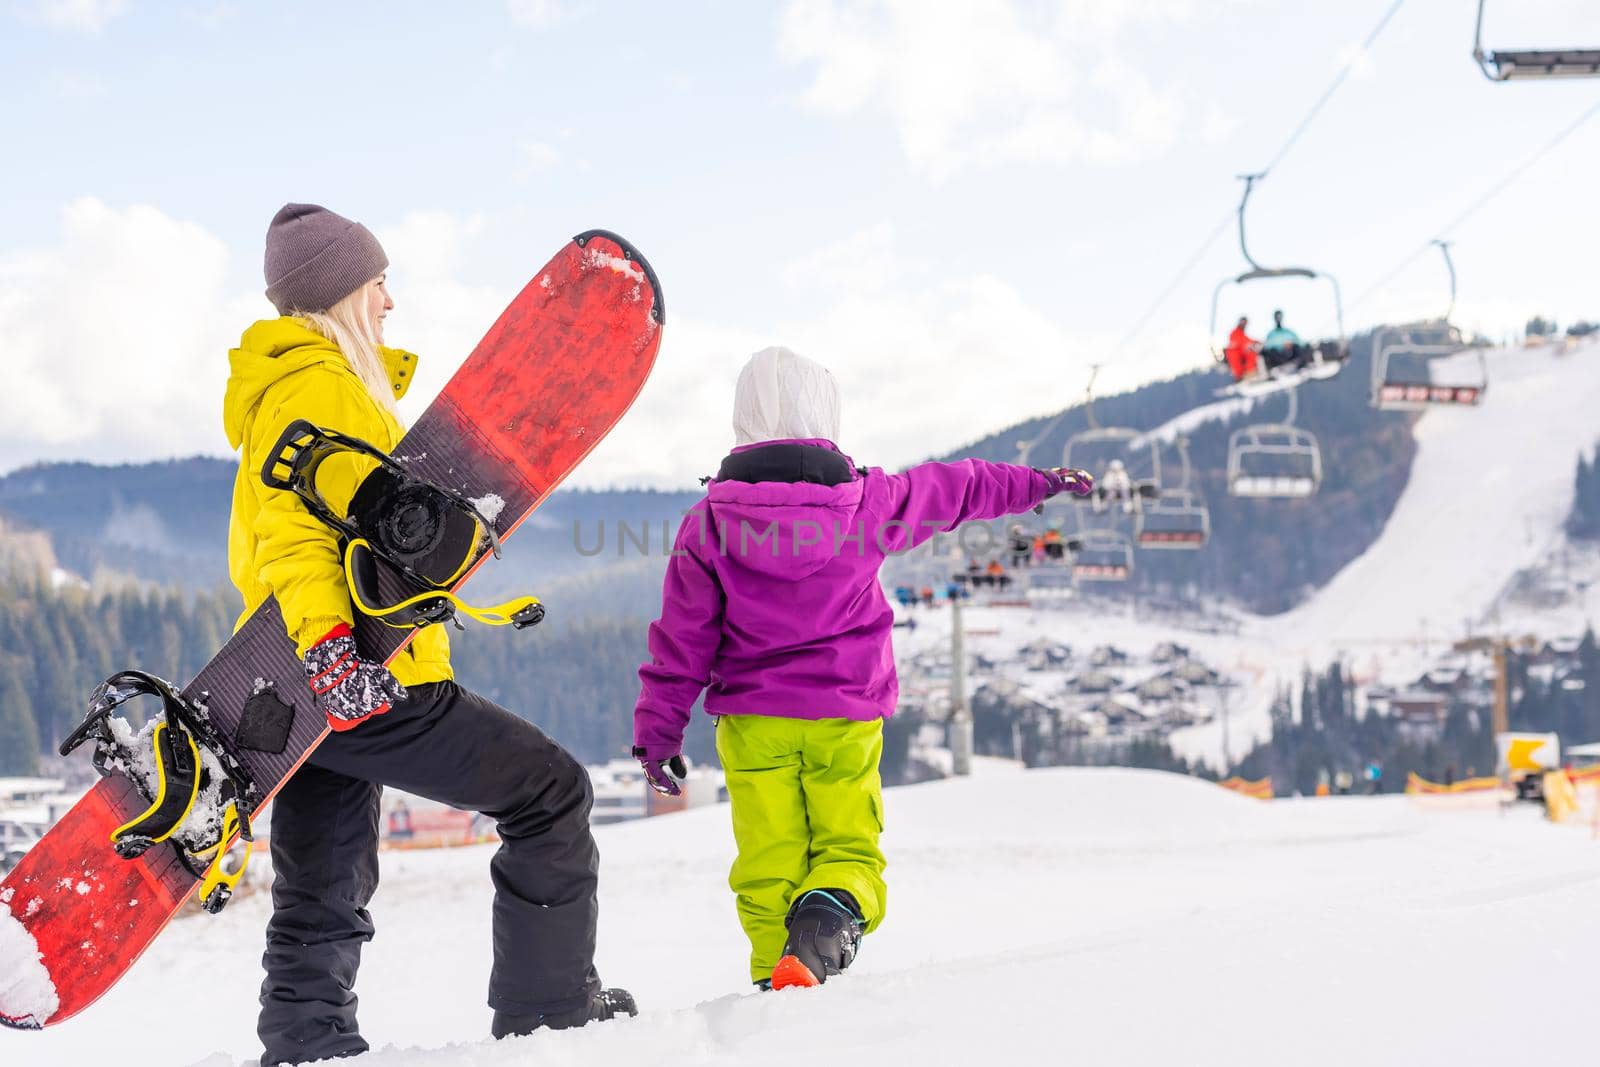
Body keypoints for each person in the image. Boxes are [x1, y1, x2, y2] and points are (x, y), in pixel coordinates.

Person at [225, 204, 633, 1066]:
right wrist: (333, 648)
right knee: (550, 791)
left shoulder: (290, 384)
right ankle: (550, 1008)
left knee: (324, 881)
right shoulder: (321, 385)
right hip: (362, 669)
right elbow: (294, 536)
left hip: (297, 684)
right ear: (341, 294)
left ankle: (307, 1041)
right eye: (379, 284)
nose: (390, 303)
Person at [630, 346, 1092, 991]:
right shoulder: (870, 501)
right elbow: (958, 488)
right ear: (827, 414)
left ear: (742, 423)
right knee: (848, 846)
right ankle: (829, 916)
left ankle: (776, 976)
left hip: (753, 722)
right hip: (844, 716)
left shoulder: (706, 524)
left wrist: (658, 736)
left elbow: (681, 641)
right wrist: (1036, 483)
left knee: (769, 856)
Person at [1224, 316, 1260, 381]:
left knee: (1252, 353)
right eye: (1242, 322)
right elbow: (1241, 341)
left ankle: (1250, 372)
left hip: (1240, 354)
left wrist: (1255, 342)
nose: (1244, 324)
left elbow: (1245, 339)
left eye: (1245, 323)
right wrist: (1251, 343)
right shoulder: (1235, 333)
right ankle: (1247, 374)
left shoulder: (1241, 334)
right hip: (1235, 354)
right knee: (1249, 353)